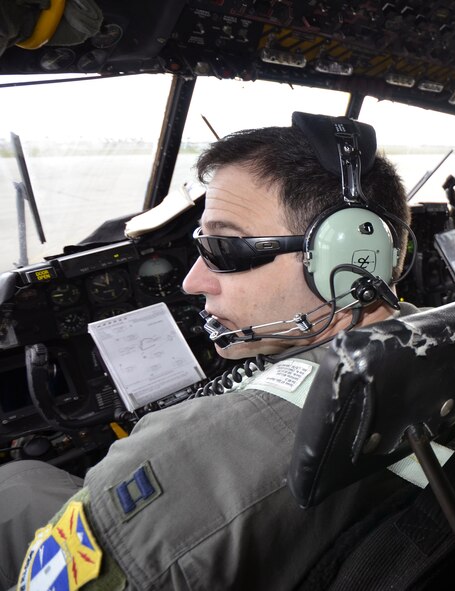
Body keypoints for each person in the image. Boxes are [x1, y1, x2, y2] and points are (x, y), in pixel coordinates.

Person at [0, 113, 415, 590]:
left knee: (14, 484)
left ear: (347, 262)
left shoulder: (180, 455)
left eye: (222, 246)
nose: (191, 281)